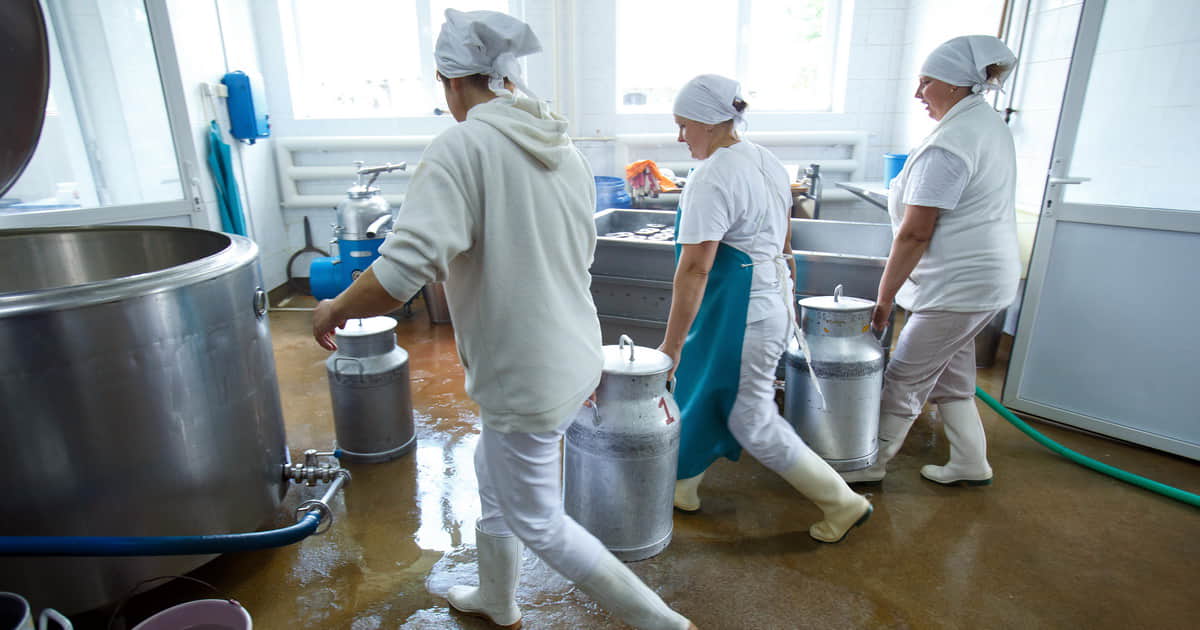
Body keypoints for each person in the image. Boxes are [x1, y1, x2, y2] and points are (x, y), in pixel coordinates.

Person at [312, 10, 696, 630]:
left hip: (524, 369)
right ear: (507, 76)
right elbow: (580, 258)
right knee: (494, 469)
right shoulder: (562, 148)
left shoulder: (461, 147)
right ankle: (497, 597)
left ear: (450, 80)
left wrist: (335, 307)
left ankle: (663, 623)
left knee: (537, 518)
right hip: (574, 350)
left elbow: (401, 271)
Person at [658, 74, 872, 544]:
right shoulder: (766, 160)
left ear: (709, 122)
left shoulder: (711, 176)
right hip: (766, 301)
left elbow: (694, 268)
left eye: (683, 125)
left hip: (741, 315)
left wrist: (670, 348)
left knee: (750, 417)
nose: (680, 137)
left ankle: (842, 502)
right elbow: (784, 242)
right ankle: (683, 484)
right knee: (709, 391)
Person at [842, 35, 1020, 486]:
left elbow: (915, 232)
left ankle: (868, 464)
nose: (918, 93)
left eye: (927, 82)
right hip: (982, 279)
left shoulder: (951, 142)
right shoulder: (984, 124)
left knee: (904, 376)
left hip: (959, 285)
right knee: (950, 376)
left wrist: (885, 298)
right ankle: (970, 462)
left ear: (956, 84)